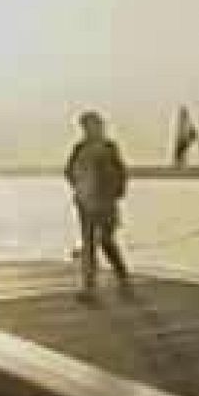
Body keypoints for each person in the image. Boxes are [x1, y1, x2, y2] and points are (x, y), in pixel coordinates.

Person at [64, 111, 133, 303]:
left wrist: (116, 192)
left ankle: (123, 277)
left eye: (92, 125)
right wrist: (79, 188)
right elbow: (69, 170)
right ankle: (89, 288)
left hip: (105, 202)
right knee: (88, 245)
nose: (88, 129)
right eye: (85, 126)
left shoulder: (109, 147)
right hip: (85, 203)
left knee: (106, 241)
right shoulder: (79, 148)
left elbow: (121, 172)